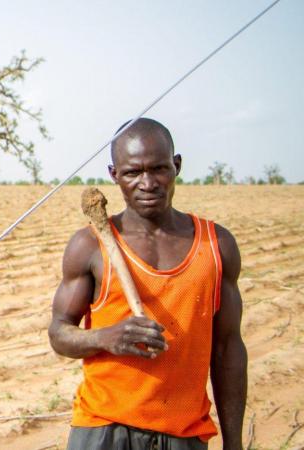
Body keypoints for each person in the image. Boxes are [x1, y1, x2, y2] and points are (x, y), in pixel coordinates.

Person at [48, 118, 247, 450]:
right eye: (132, 173)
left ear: (177, 165)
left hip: (184, 432)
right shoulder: (91, 245)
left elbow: (228, 349)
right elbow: (58, 332)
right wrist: (105, 337)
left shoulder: (216, 246)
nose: (147, 183)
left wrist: (235, 443)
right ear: (114, 175)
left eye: (159, 169)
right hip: (103, 429)